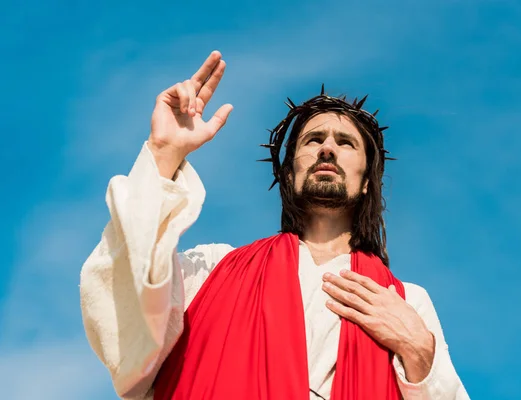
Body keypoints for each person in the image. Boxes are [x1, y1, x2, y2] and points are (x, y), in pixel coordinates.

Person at [80, 50, 470, 400]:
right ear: (289, 173)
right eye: (313, 140)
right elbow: (124, 310)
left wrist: (421, 354)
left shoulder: (405, 303)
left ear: (367, 180)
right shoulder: (212, 270)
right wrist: (164, 155)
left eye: (346, 143)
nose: (327, 148)